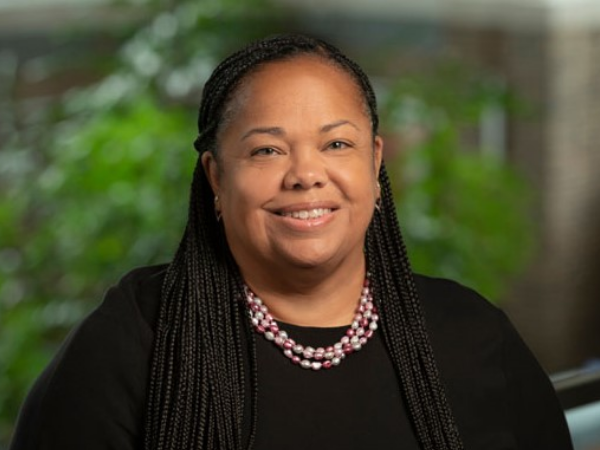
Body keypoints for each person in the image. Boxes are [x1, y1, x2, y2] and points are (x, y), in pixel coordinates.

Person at [9, 33, 572, 450]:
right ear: (215, 178)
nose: (306, 175)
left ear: (375, 163)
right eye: (267, 150)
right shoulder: (135, 338)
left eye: (336, 145)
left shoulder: (472, 332)